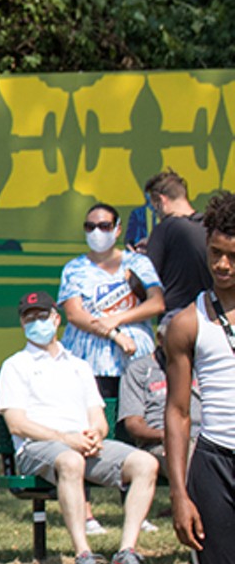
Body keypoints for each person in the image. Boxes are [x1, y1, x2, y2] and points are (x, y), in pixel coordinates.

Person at [0, 291, 160, 564]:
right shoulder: (15, 365)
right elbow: (17, 424)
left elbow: (97, 416)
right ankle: (83, 555)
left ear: (56, 319)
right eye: (29, 318)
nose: (37, 322)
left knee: (145, 463)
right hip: (39, 448)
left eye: (42, 316)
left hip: (82, 446)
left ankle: (126, 552)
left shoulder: (79, 365)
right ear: (22, 325)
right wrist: (64, 438)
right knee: (71, 461)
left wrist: (96, 434)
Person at [164, 190, 235, 564]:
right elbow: (179, 413)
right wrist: (181, 491)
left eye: (232, 254)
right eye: (215, 253)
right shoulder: (188, 323)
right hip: (215, 466)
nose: (222, 265)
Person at [57, 202, 165, 399]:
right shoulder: (74, 268)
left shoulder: (138, 262)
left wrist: (117, 319)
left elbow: (157, 303)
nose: (97, 232)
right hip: (89, 365)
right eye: (90, 227)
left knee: (135, 423)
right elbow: (74, 314)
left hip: (135, 361)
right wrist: (114, 334)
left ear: (118, 229)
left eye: (104, 226)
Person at [118, 313, 201, 475]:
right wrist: (169, 435)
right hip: (160, 442)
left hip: (203, 439)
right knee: (190, 458)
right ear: (160, 339)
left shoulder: (202, 366)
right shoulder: (140, 370)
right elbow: (134, 424)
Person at [145, 168, 211, 315]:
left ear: (161, 200)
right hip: (211, 318)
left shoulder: (164, 229)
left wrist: (137, 259)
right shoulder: (210, 227)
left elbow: (145, 280)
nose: (156, 214)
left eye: (154, 208)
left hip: (176, 317)